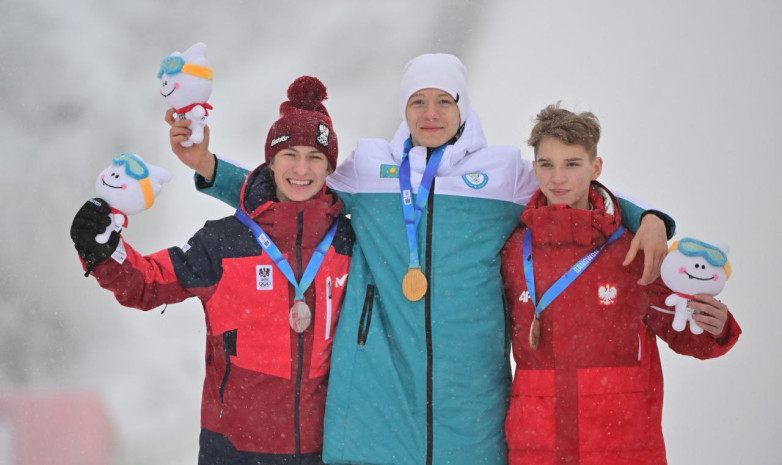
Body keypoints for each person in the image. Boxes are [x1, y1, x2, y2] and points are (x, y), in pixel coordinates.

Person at [173, 55, 675, 465]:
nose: (430, 114)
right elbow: (288, 188)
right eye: (418, 102)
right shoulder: (370, 168)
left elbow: (570, 185)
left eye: (442, 101)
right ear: (404, 108)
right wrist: (208, 168)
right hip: (378, 382)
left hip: (470, 385)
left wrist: (648, 217)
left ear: (463, 107)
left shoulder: (503, 174)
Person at [70, 76, 354, 465]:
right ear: (270, 163)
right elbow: (148, 283)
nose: (301, 168)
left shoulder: (349, 244)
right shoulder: (225, 242)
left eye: (315, 157)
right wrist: (105, 252)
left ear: (329, 168)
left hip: (327, 451)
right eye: (289, 155)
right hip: (234, 450)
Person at [500, 104, 741, 465]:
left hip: (623, 444)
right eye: (547, 164)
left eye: (572, 164)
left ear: (596, 168)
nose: (558, 177)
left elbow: (686, 332)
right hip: (537, 444)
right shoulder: (514, 249)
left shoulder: (633, 248)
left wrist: (716, 328)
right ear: (534, 168)